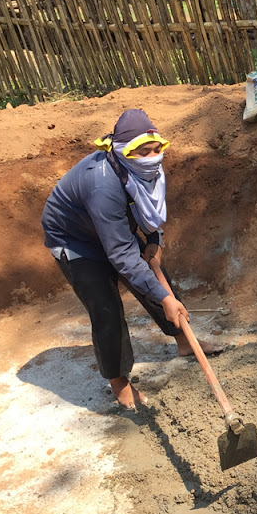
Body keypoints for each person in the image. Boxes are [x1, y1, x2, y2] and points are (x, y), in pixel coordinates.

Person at [42, 109, 222, 409]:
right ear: (124, 151)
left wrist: (152, 240)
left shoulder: (145, 170)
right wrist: (164, 298)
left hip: (111, 226)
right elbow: (122, 257)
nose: (152, 157)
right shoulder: (102, 184)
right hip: (76, 239)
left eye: (156, 149)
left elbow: (148, 208)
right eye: (143, 151)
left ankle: (185, 342)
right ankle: (119, 381)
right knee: (106, 307)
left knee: (155, 279)